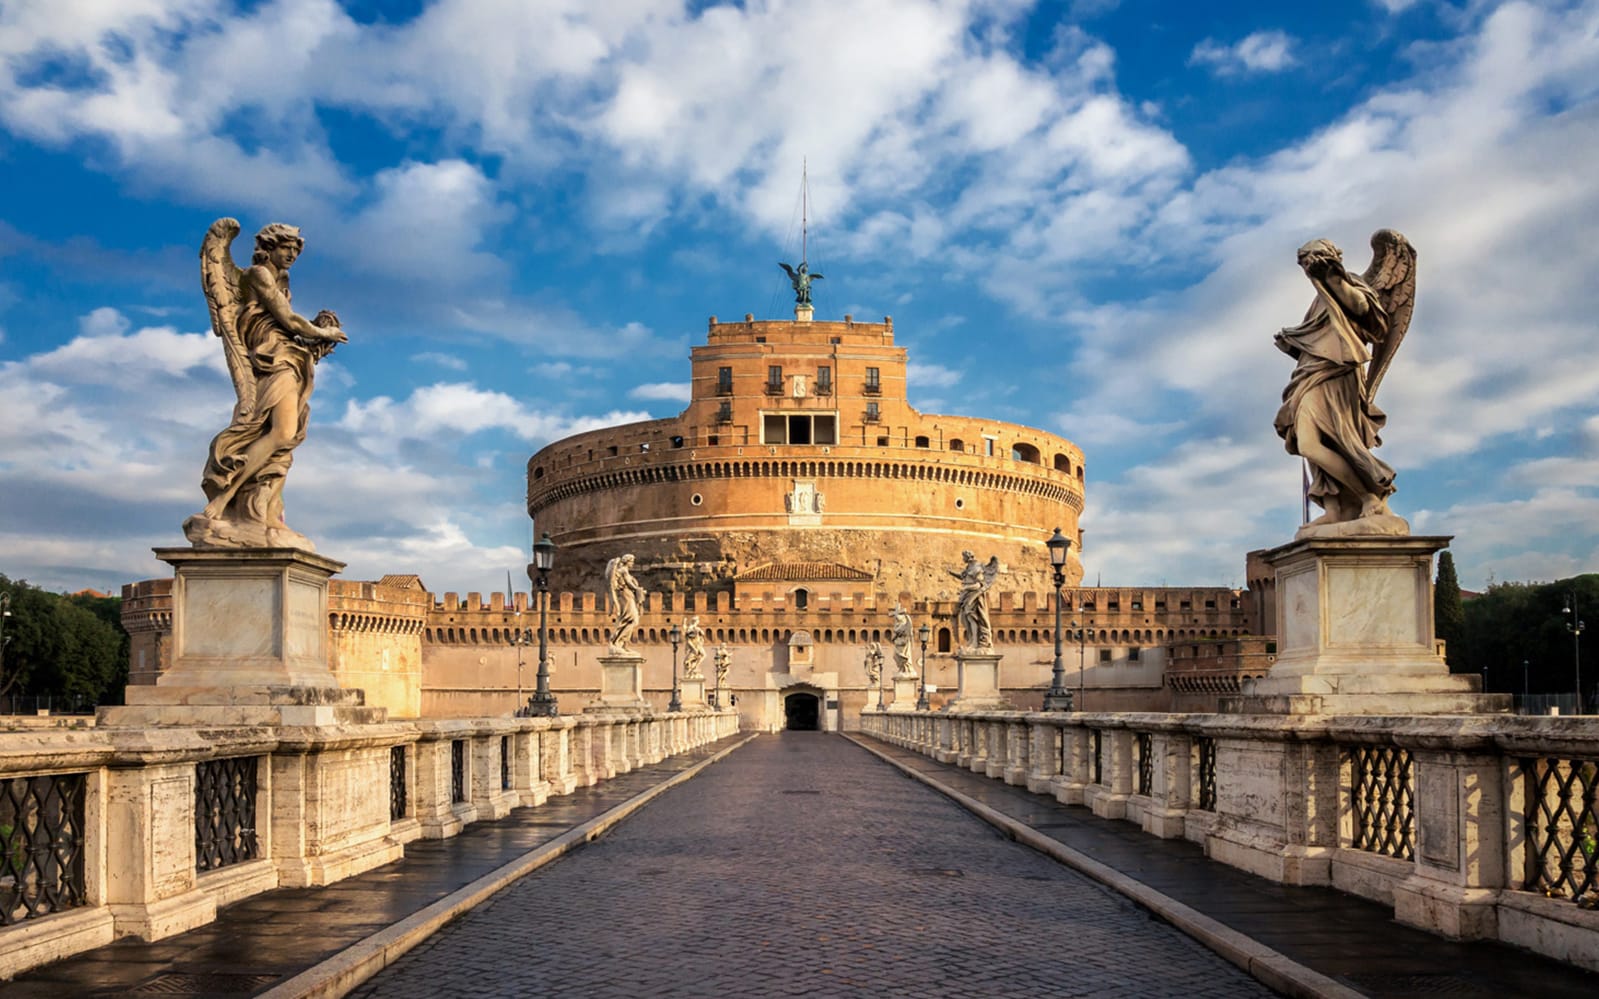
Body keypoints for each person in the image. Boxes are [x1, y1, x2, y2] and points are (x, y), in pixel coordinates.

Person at [188, 220, 346, 547]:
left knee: (286, 441)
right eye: (285, 248)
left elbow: (288, 326)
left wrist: (312, 342)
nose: (290, 255)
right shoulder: (257, 275)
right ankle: (223, 500)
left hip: (289, 357)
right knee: (281, 433)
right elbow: (287, 320)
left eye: (294, 251)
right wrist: (323, 332)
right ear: (269, 247)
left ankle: (268, 513)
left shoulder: (280, 281)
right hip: (271, 359)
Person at [1273, 234, 1412, 528]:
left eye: (1312, 259)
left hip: (1338, 374)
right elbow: (1322, 338)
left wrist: (1335, 280)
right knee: (1309, 442)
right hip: (1310, 373)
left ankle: (1369, 495)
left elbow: (1366, 314)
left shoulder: (1349, 283)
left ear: (1329, 258)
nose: (1308, 267)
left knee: (1326, 440)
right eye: (1304, 263)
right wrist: (1293, 342)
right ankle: (1335, 508)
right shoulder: (1318, 300)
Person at [949, 551, 995, 650]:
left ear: (968, 557)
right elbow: (962, 576)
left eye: (963, 557)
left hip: (973, 596)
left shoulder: (976, 568)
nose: (962, 559)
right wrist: (951, 573)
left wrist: (966, 588)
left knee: (972, 618)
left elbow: (979, 585)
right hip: (967, 596)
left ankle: (975, 642)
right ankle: (971, 639)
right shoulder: (969, 568)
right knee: (964, 619)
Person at [605, 554, 645, 653]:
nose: (633, 563)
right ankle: (617, 641)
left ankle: (623, 644)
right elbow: (628, 583)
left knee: (631, 620)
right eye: (631, 561)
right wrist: (638, 589)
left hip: (628, 595)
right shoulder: (623, 570)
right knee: (631, 619)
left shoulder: (625, 571)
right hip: (625, 596)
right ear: (627, 561)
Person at [890, 605, 915, 676]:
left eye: (898, 620)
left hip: (903, 645)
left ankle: (906, 669)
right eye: (896, 620)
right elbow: (893, 637)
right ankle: (902, 669)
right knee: (895, 656)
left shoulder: (904, 626)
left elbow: (909, 628)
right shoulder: (897, 627)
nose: (897, 621)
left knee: (904, 658)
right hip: (898, 645)